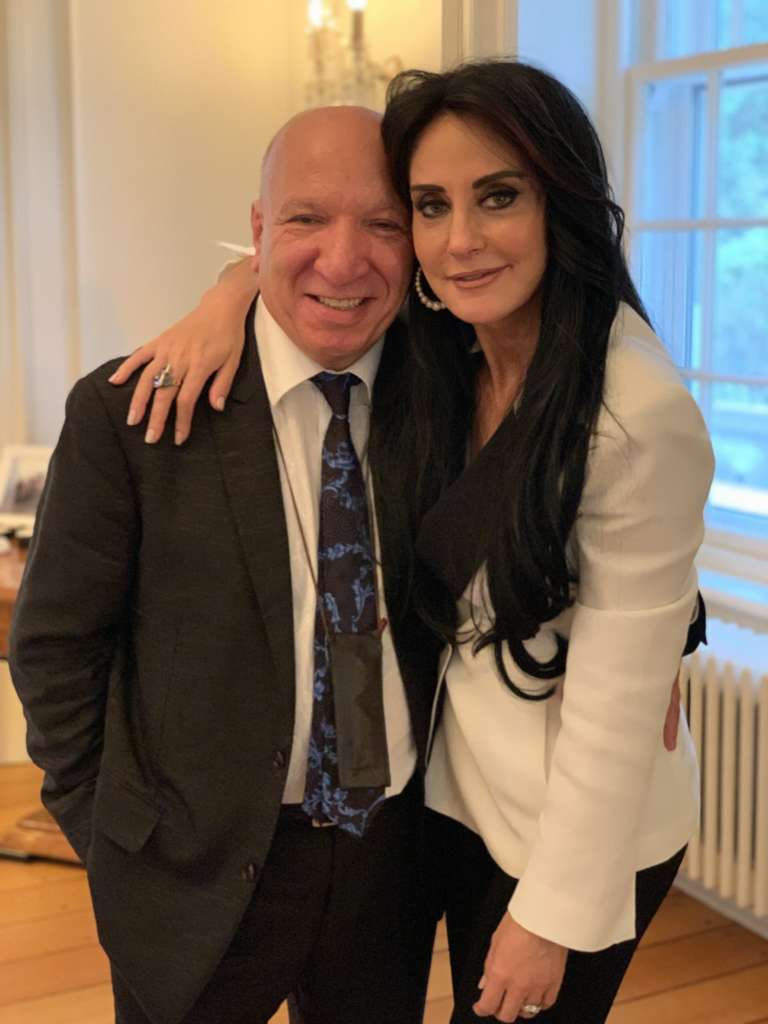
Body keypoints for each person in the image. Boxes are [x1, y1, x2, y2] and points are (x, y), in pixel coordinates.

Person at [111, 61, 714, 1024]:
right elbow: (321, 260)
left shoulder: (632, 408)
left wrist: (550, 917)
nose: (460, 240)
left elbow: (614, 708)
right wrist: (226, 299)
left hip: (574, 835)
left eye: (499, 197)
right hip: (451, 801)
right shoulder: (447, 346)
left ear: (564, 203)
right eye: (431, 206)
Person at [9, 105, 442, 1024]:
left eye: (383, 223)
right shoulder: (133, 413)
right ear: (258, 229)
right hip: (192, 866)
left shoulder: (446, 394)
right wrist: (110, 832)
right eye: (306, 218)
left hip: (389, 859)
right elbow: (53, 648)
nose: (342, 260)